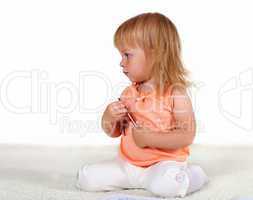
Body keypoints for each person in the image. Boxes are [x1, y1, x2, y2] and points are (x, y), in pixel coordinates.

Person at [76, 12, 209, 198]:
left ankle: (194, 175)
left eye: (127, 55)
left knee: (167, 185)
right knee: (87, 178)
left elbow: (186, 135)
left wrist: (149, 139)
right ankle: (143, 181)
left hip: (163, 164)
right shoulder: (128, 94)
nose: (121, 63)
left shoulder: (175, 94)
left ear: (155, 54)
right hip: (127, 165)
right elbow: (113, 132)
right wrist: (109, 117)